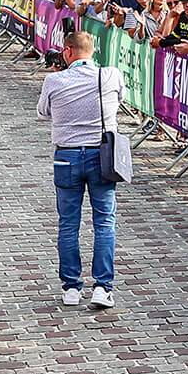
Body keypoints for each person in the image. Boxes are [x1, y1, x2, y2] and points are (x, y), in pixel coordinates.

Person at [36, 28, 119, 309]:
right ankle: (102, 286)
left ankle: (71, 286)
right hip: (102, 155)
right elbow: (118, 101)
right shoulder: (109, 75)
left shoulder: (54, 80)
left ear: (67, 51)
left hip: (67, 155)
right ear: (92, 51)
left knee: (68, 223)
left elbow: (42, 112)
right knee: (104, 221)